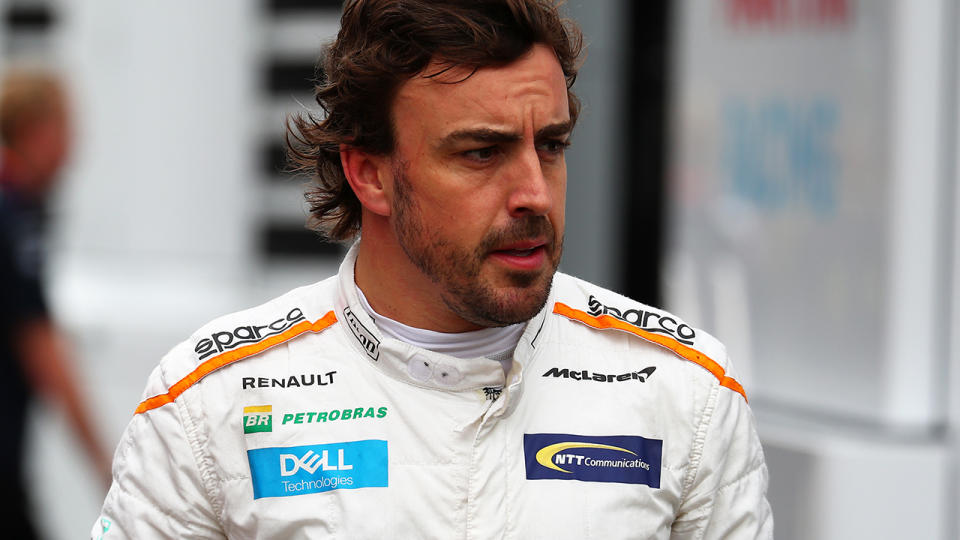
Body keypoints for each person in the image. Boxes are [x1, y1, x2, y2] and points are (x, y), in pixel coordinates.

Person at [93, 1, 773, 538]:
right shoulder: (210, 405)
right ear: (371, 173)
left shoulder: (684, 391)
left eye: (552, 145)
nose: (534, 192)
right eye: (482, 152)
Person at [0, 70, 112, 539]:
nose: (73, 150)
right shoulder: (12, 211)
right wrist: (107, 466)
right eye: (69, 129)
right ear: (40, 131)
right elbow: (41, 345)